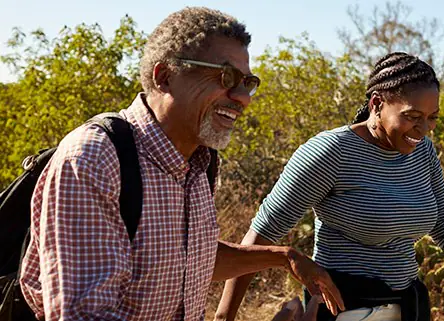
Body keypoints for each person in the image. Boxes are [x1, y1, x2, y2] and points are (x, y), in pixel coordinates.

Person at [18, 7, 344, 321]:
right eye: (226, 76)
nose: (243, 97)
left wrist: (283, 257)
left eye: (247, 82)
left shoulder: (199, 162)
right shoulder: (95, 160)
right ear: (165, 77)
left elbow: (189, 257)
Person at [215, 52, 444, 321]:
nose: (423, 129)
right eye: (412, 116)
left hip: (407, 303)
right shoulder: (331, 152)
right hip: (343, 306)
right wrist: (222, 318)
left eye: (432, 117)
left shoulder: (422, 152)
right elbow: (262, 235)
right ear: (376, 104)